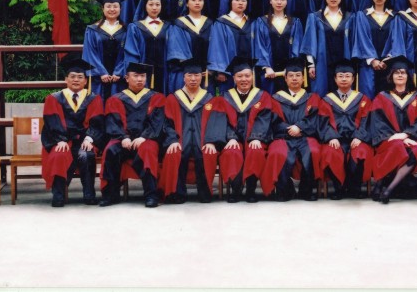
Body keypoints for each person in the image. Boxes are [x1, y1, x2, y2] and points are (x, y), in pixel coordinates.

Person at [205, 56, 282, 203]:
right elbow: (221, 121)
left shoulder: (262, 96)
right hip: (233, 139)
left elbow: (264, 119)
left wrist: (256, 138)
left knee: (255, 150)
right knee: (231, 152)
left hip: (256, 137)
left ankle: (251, 190)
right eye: (240, 76)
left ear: (252, 77)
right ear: (234, 78)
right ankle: (236, 190)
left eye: (247, 76)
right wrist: (231, 137)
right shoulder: (225, 97)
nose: (244, 79)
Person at [160, 57, 236, 204]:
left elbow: (216, 122)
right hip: (180, 141)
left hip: (203, 141)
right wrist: (172, 140)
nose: (193, 79)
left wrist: (211, 142)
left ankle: (205, 193)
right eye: (190, 75)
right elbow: (167, 124)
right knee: (174, 153)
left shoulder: (210, 99)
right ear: (184, 77)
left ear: (202, 77)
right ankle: (176, 194)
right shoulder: (173, 99)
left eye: (197, 75)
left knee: (207, 153)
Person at [41, 58, 105, 207]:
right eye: (73, 76)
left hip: (84, 140)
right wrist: (60, 140)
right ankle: (58, 195)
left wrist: (89, 138)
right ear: (66, 79)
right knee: (59, 154)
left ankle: (89, 194)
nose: (76, 80)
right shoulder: (54, 98)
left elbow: (97, 122)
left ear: (85, 81)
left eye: (80, 77)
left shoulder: (93, 99)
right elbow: (52, 122)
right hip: (62, 140)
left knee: (86, 154)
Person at [99, 62, 165, 207]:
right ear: (127, 78)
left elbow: (157, 122)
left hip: (147, 139)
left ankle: (151, 195)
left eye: (143, 76)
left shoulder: (156, 98)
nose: (140, 79)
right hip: (123, 139)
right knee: (110, 150)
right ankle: (111, 194)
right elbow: (112, 122)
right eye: (136, 76)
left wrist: (144, 137)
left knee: (148, 150)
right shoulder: (115, 99)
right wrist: (123, 137)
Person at [368, 56, 417, 204]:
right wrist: (396, 137)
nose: (400, 75)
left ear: (408, 76)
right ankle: (384, 185)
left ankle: (387, 190)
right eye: (396, 72)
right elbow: (377, 122)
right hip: (388, 139)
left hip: (410, 138)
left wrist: (406, 135)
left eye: (403, 72)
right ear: (391, 76)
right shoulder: (381, 97)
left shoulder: (416, 98)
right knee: (397, 146)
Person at [267, 62, 329, 202]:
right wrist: (288, 129)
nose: (294, 78)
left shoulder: (313, 98)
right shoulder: (276, 98)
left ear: (303, 78)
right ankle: (285, 190)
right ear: (285, 79)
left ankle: (306, 190)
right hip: (283, 136)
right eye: (291, 76)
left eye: (298, 75)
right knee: (277, 152)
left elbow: (315, 118)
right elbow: (273, 120)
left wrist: (300, 128)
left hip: (305, 136)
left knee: (313, 151)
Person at [319, 59, 373, 200]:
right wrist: (331, 136)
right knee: (330, 152)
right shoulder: (327, 100)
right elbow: (323, 122)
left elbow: (367, 121)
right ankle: (339, 189)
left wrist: (359, 136)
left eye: (347, 76)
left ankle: (355, 188)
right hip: (336, 138)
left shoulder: (362, 99)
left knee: (361, 151)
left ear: (353, 79)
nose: (344, 79)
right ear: (335, 79)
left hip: (356, 138)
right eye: (341, 76)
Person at [352, 0, 412, 98]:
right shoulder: (362, 16)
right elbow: (362, 39)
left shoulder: (395, 17)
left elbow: (397, 40)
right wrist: (372, 60)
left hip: (389, 65)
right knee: (368, 94)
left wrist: (388, 59)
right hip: (368, 65)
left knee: (389, 98)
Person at [301, 0, 358, 96]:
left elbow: (354, 43)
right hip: (322, 64)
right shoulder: (314, 17)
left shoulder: (350, 17)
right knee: (322, 92)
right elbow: (309, 42)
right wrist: (311, 65)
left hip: (344, 63)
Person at [207, 0, 258, 95]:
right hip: (228, 74)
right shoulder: (221, 23)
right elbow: (217, 48)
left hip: (249, 72)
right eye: (237, 0)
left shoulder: (253, 23)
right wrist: (221, 71)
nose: (240, 3)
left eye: (243, 0)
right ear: (230, 2)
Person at [254, 0, 304, 93]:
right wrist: (266, 67)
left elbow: (297, 45)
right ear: (270, 1)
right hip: (269, 72)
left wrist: (291, 67)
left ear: (287, 2)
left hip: (289, 72)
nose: (279, 2)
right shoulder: (261, 21)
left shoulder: (295, 22)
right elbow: (259, 45)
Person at [164, 0, 212, 94]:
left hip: (206, 75)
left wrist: (212, 70)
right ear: (186, 3)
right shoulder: (178, 24)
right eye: (193, 0)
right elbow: (177, 50)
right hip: (185, 74)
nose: (197, 3)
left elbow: (216, 49)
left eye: (200, 0)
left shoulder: (210, 24)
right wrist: (193, 71)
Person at [124, 0, 172, 94]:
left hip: (164, 72)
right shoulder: (135, 27)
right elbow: (131, 53)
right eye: (151, 4)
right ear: (145, 6)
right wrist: (135, 74)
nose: (154, 8)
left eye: (157, 4)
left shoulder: (169, 27)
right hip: (142, 74)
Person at [83, 0, 129, 98]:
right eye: (108, 6)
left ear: (120, 8)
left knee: (118, 103)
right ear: (102, 8)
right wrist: (101, 72)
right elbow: (90, 53)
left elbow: (129, 53)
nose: (112, 9)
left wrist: (119, 71)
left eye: (115, 6)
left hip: (119, 79)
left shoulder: (127, 30)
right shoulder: (92, 30)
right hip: (98, 79)